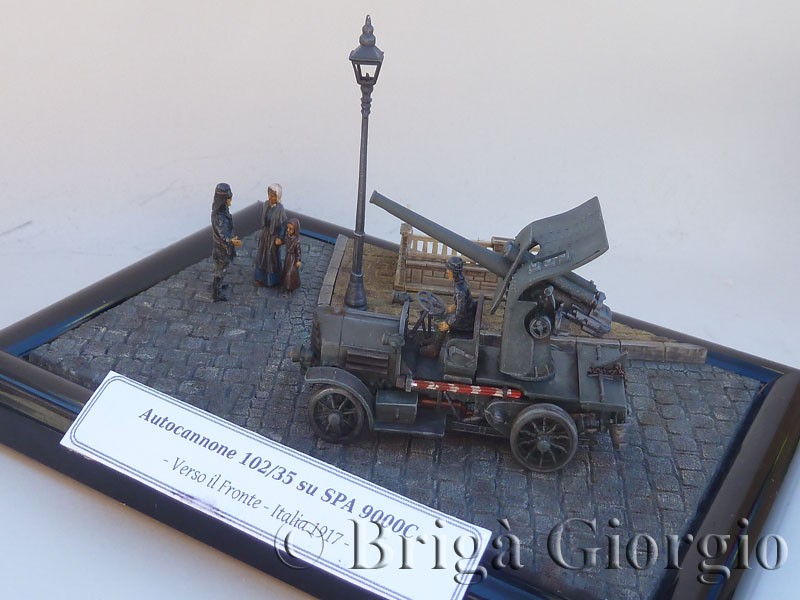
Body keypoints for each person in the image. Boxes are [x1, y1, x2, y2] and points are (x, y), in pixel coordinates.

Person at [211, 183, 241, 302]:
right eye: (229, 199)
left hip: (223, 247)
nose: (230, 201)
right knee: (220, 270)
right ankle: (216, 293)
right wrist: (232, 240)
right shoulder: (219, 216)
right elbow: (222, 234)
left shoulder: (223, 211)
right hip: (221, 249)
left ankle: (218, 285)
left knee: (222, 268)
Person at [254, 183, 287, 286]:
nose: (270, 198)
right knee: (261, 255)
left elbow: (283, 224)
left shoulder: (280, 209)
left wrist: (280, 237)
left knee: (272, 257)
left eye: (273, 196)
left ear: (278, 197)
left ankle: (272, 279)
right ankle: (260, 277)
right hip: (265, 234)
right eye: (269, 195)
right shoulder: (265, 204)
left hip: (274, 236)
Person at [438, 256, 477, 334]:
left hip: (465, 323)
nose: (447, 272)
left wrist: (448, 323)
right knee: (445, 315)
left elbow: (460, 314)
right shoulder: (461, 283)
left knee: (439, 322)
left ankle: (438, 341)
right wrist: (455, 306)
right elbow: (463, 304)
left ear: (454, 272)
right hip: (468, 316)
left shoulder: (460, 291)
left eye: (449, 270)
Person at [281, 217, 302, 294]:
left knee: (290, 273)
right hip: (288, 257)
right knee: (286, 270)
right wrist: (280, 242)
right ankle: (285, 284)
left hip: (292, 258)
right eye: (288, 228)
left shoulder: (297, 241)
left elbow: (298, 252)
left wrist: (298, 260)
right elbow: (285, 241)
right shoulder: (287, 236)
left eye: (290, 229)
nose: (288, 230)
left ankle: (289, 288)